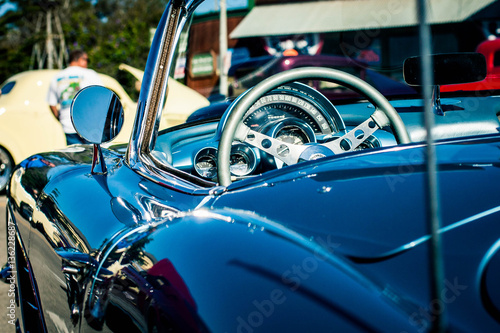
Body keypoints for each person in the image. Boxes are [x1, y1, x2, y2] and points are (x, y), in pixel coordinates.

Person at [46, 49, 102, 145]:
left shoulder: (57, 77)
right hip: (89, 125)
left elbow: (52, 104)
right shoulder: (90, 74)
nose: (87, 63)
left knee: (76, 157)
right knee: (93, 156)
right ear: (80, 59)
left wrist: (61, 118)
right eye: (87, 60)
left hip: (67, 124)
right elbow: (101, 97)